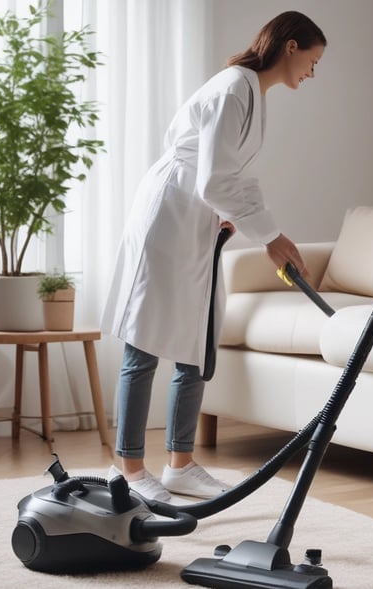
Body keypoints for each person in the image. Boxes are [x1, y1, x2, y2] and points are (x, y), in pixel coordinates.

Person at [101, 11, 327, 501]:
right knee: (145, 342)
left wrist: (263, 226)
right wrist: (268, 235)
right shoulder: (234, 88)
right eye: (312, 60)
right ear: (290, 47)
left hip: (199, 218)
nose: (313, 72)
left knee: (198, 339)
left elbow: (232, 176)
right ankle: (131, 472)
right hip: (170, 214)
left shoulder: (252, 93)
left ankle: (180, 464)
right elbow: (211, 180)